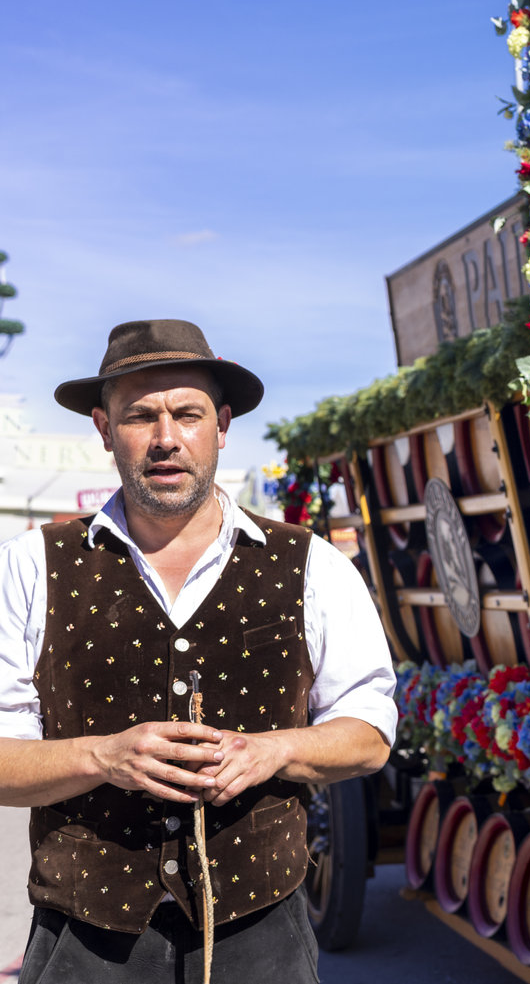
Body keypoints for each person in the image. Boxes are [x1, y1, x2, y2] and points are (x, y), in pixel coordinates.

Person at [0, 320, 396, 982]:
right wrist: (104, 755)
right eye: (139, 415)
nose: (165, 437)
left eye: (187, 413)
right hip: (86, 946)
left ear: (222, 423)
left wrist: (276, 749)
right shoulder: (33, 565)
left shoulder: (312, 565)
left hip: (263, 938)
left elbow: (371, 733)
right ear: (103, 428)